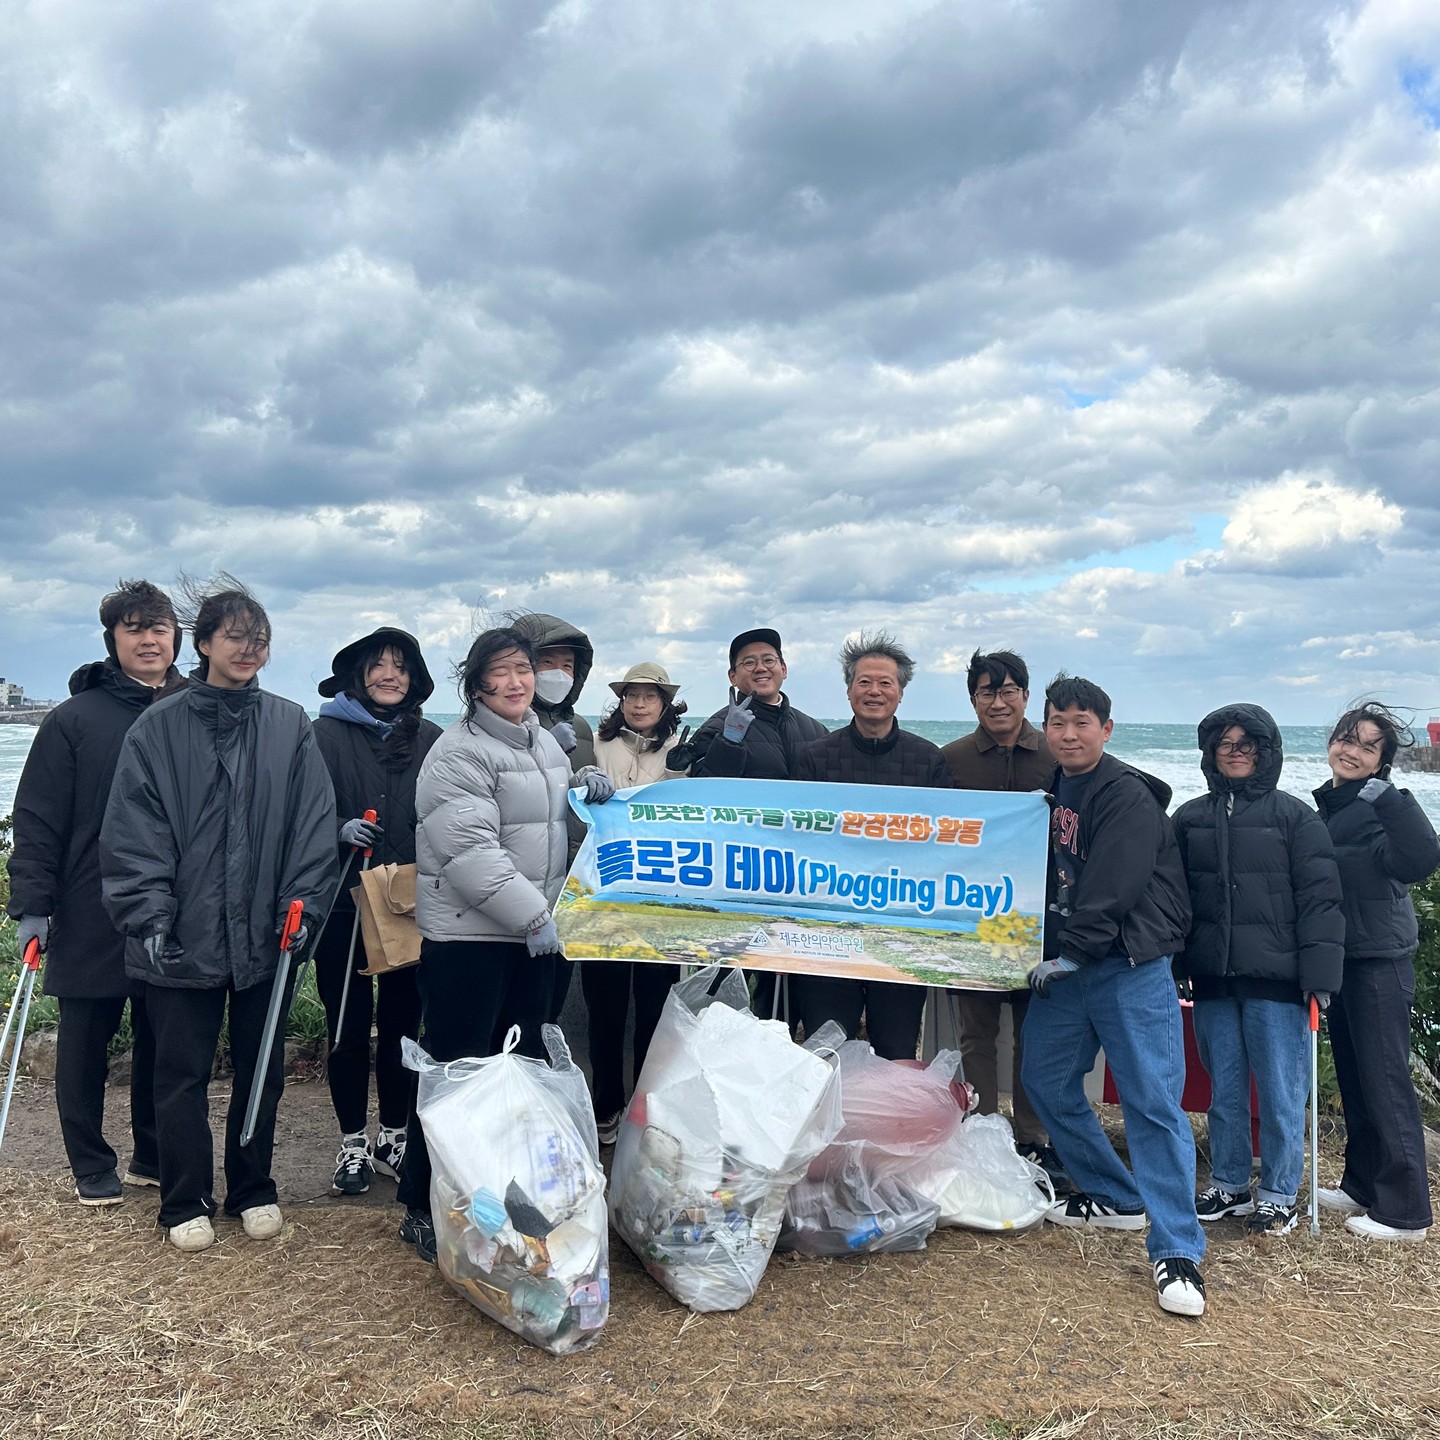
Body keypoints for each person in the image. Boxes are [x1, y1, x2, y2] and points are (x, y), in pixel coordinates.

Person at [100, 580, 336, 1253]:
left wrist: (301, 905)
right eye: (234, 637)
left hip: (268, 934)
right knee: (180, 1074)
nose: (248, 649)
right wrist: (150, 916)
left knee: (262, 1071)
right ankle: (183, 1199)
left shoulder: (289, 724)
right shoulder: (158, 727)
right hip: (182, 934)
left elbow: (312, 824)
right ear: (202, 643)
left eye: (259, 639)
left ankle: (253, 1187)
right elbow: (133, 832)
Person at [397, 626, 615, 1262]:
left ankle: (493, 1197)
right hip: (471, 939)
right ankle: (422, 1203)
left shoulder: (544, 741)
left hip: (531, 938)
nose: (517, 681)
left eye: (524, 668)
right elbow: (469, 853)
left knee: (519, 1072)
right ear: (476, 684)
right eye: (501, 671)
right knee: (457, 1070)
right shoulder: (458, 754)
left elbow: (550, 826)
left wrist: (588, 793)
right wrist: (533, 916)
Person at [1021, 673, 1205, 1318]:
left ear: (1107, 728)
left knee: (1152, 1103)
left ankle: (1177, 1249)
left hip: (1127, 965)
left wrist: (1072, 952)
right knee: (1044, 1079)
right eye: (1057, 723)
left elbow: (1112, 885)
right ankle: (1114, 1195)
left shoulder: (1125, 793)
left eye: (1082, 723)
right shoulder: (1054, 789)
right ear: (1045, 729)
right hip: (1069, 968)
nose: (1069, 734)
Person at [7, 580, 184, 1206]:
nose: (149, 639)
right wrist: (33, 907)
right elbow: (38, 819)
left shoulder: (196, 709)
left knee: (165, 1040)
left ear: (177, 639)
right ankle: (89, 1162)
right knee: (84, 1043)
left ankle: (152, 1152)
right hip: (88, 903)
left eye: (159, 628)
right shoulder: (73, 719)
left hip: (175, 906)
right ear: (113, 638)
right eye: (134, 628)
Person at [1172, 705, 1343, 1235]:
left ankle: (1279, 1193)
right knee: (1224, 1089)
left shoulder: (1296, 818)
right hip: (1213, 978)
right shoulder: (1190, 818)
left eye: (1247, 743)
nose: (1236, 751)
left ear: (1267, 752)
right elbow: (1174, 900)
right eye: (1225, 743)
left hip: (1279, 982)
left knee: (1280, 1092)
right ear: (1211, 752)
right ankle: (1228, 1184)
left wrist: (1320, 979)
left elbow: (1321, 903)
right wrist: (1177, 962)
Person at [312, 627, 442, 1196]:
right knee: (345, 1026)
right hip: (342, 902)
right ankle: (352, 1142)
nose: (390, 675)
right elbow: (298, 808)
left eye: (401, 666)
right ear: (358, 675)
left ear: (415, 678)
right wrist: (335, 829)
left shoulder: (432, 738)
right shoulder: (321, 734)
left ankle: (393, 1134)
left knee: (401, 1025)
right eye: (378, 665)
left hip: (410, 903)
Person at [1312, 703, 1440, 1242]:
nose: (1353, 751)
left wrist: (1391, 797)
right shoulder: (1333, 806)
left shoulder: (1378, 805)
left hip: (1380, 960)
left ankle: (1406, 1211)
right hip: (1345, 957)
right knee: (1357, 1077)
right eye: (1347, 739)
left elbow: (1421, 858)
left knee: (1385, 1081)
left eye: (1368, 747)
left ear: (1382, 761)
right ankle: (1363, 1184)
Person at [790, 633, 951, 1059]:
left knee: (897, 1050)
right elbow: (795, 839)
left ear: (900, 693)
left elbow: (944, 844)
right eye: (864, 682)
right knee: (827, 1047)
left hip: (901, 930)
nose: (874, 691)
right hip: (827, 929)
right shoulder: (815, 758)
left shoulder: (928, 760)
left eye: (885, 683)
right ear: (849, 691)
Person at [938, 648, 1059, 1183]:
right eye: (987, 691)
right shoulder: (950, 760)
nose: (998, 701)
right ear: (973, 699)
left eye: (1009, 690)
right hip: (974, 919)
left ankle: (1033, 1136)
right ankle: (982, 1129)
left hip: (1041, 920)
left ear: (1026, 696)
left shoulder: (1056, 754)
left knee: (1037, 1034)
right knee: (977, 1033)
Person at [669, 627, 826, 1022]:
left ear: (784, 669)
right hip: (734, 878)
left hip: (796, 880)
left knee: (783, 990)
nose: (760, 668)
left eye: (769, 660)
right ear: (733, 676)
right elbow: (702, 797)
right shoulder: (718, 726)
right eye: (748, 662)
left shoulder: (813, 730)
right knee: (721, 988)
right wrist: (730, 741)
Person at [584, 661, 687, 1143]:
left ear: (666, 704)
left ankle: (645, 1110)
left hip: (660, 899)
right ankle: (606, 1106)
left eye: (650, 696)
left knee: (654, 1009)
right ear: (621, 701)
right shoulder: (598, 745)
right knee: (604, 1010)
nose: (640, 704)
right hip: (602, 895)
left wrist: (684, 769)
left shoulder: (681, 750)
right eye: (632, 695)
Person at [510, 612, 596, 1022]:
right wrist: (544, 747)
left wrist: (592, 781)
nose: (558, 674)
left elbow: (578, 807)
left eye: (568, 666)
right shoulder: (505, 721)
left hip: (568, 881)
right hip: (516, 888)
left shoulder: (580, 726)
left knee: (551, 1004)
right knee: (514, 1006)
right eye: (547, 662)